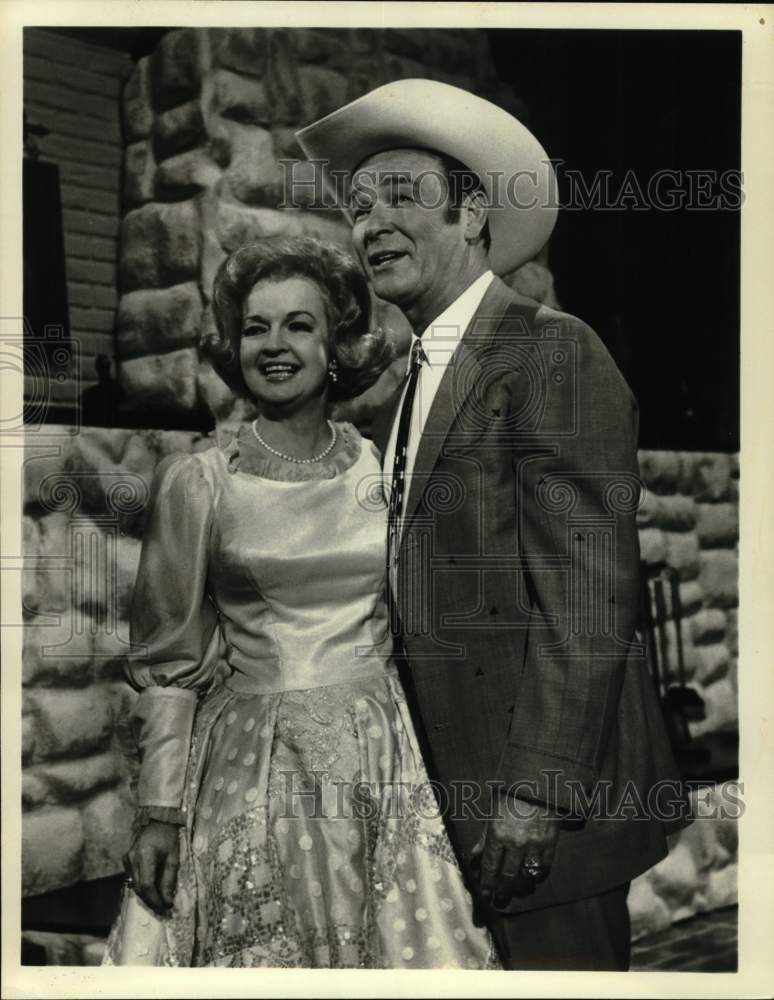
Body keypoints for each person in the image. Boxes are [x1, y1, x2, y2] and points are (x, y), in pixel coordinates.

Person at [296, 79, 691, 971]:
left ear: (473, 213)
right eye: (359, 207)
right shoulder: (408, 388)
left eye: (402, 196)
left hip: (539, 814)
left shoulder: (549, 349)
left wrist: (535, 794)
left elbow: (589, 597)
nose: (372, 224)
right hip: (450, 808)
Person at [103, 235, 501, 969]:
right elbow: (168, 662)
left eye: (298, 325)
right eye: (256, 327)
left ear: (336, 346)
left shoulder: (384, 466)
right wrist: (159, 811)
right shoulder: (199, 481)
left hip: (386, 758)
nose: (275, 345)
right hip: (253, 768)